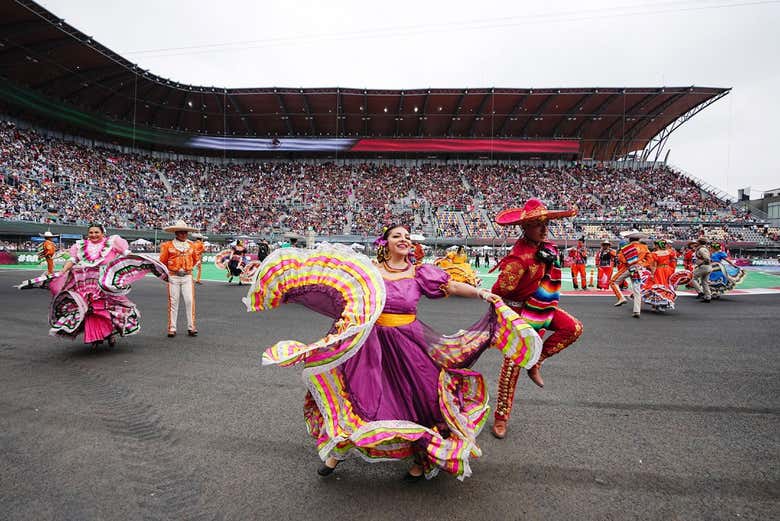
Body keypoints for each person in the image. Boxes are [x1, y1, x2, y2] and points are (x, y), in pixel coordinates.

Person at [249, 224, 542, 481]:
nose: (403, 239)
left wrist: (481, 293)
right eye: (397, 236)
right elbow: (340, 295)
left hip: (409, 345)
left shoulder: (419, 274)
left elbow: (451, 285)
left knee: (422, 398)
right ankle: (336, 453)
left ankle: (422, 457)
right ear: (385, 243)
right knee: (361, 400)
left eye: (407, 236)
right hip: (370, 346)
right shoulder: (369, 273)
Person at [489, 199, 583, 439]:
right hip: (518, 314)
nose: (544, 228)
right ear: (525, 228)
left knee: (573, 328)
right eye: (537, 224)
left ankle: (536, 360)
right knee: (511, 368)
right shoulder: (518, 260)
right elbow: (498, 292)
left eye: (546, 223)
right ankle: (501, 419)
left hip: (539, 308)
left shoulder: (547, 249)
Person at [48, 224, 138, 348]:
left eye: (96, 232)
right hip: (86, 284)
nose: (93, 235)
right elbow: (72, 260)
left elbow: (126, 253)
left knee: (107, 308)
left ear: (103, 233)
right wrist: (63, 271)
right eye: (91, 232)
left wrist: (136, 261)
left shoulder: (112, 243)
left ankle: (110, 333)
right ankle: (95, 336)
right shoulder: (80, 246)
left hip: (105, 282)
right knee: (90, 309)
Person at [159, 220, 200, 337]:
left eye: (185, 232)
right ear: (176, 233)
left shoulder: (191, 245)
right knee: (173, 302)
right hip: (173, 276)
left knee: (189, 301)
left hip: (187, 276)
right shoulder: (168, 245)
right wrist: (169, 273)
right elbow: (162, 261)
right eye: (181, 232)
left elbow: (196, 259)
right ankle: (172, 328)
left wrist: (189, 268)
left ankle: (191, 327)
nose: (184, 234)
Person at [610, 231, 651, 318]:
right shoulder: (644, 247)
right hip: (638, 269)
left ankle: (621, 298)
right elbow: (649, 259)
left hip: (628, 268)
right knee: (637, 290)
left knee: (613, 282)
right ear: (639, 239)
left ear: (630, 239)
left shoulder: (626, 248)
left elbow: (622, 259)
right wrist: (641, 264)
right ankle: (637, 311)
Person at [689, 237, 713, 302]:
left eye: (697, 241)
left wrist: (701, 263)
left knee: (692, 277)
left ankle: (700, 292)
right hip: (707, 267)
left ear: (699, 242)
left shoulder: (701, 249)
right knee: (704, 282)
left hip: (704, 266)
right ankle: (708, 297)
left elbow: (707, 258)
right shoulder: (705, 248)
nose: (696, 242)